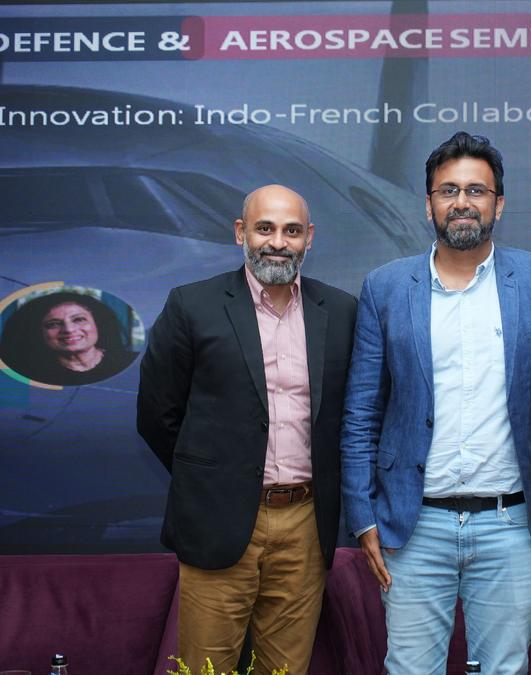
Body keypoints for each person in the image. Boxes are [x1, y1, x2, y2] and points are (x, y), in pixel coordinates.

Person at [341, 131, 531, 674]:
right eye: (448, 191)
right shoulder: (385, 287)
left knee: (503, 669)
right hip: (413, 527)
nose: (462, 202)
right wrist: (363, 518)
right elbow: (361, 412)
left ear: (498, 204)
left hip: (510, 525)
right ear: (428, 205)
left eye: (476, 191)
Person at [136, 185, 357, 674]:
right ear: (241, 233)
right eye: (265, 228)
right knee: (205, 669)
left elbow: (350, 418)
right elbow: (157, 415)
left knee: (285, 669)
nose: (277, 242)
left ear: (309, 238)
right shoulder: (192, 305)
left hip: (305, 524)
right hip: (219, 521)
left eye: (291, 231)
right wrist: (214, 478)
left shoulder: (342, 312)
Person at [0, 290, 136, 386]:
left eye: (79, 319)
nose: (69, 330)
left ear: (98, 324)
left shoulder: (131, 363)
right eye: (53, 324)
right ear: (39, 332)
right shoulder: (29, 375)